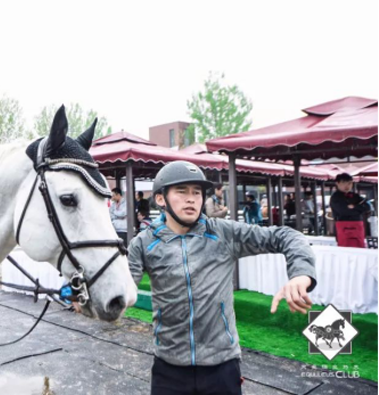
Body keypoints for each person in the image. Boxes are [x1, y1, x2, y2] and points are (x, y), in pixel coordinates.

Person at [127, 161, 316, 395]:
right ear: (160, 199)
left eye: (197, 192)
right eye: (181, 191)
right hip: (168, 367)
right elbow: (125, 290)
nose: (191, 199)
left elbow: (288, 236)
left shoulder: (222, 233)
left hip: (222, 365)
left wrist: (300, 275)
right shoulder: (143, 244)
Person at [330, 173, 371, 247]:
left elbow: (368, 206)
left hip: (358, 225)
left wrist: (354, 207)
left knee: (360, 246)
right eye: (344, 183)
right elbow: (344, 211)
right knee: (346, 249)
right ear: (337, 183)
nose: (347, 186)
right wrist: (359, 208)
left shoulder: (355, 195)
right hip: (343, 225)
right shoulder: (335, 197)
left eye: (349, 183)